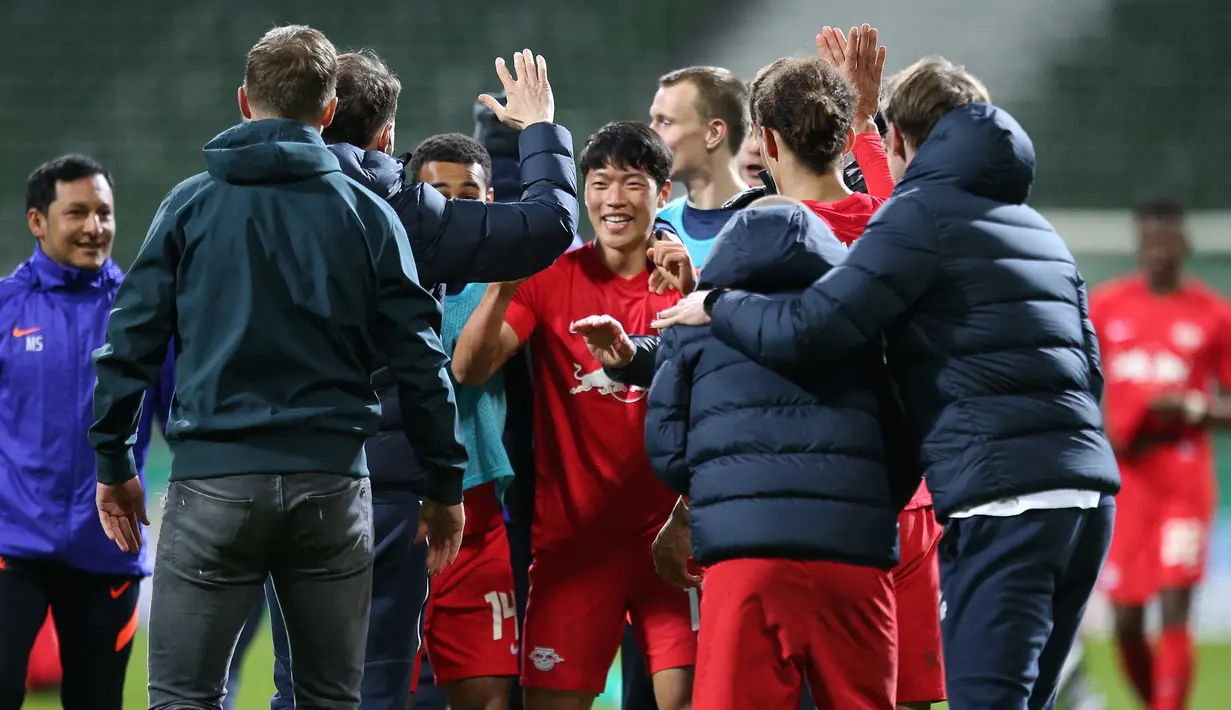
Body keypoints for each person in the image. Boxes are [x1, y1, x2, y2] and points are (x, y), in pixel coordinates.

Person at [652, 53, 1121, 710]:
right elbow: (1088, 375)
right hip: (1079, 495)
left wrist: (715, 307)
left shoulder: (903, 219)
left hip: (943, 500)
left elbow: (814, 328)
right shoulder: (1033, 228)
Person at [88, 25, 467, 709]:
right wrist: (443, 485)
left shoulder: (189, 205)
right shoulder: (368, 215)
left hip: (213, 486)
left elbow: (129, 344)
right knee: (328, 697)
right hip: (334, 487)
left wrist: (114, 463)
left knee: (183, 696)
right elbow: (422, 361)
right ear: (327, 114)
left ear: (242, 102)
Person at [262, 47, 578, 710]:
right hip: (387, 491)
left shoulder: (246, 206)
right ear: (388, 138)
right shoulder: (409, 216)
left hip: (279, 477)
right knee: (375, 684)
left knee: (298, 686)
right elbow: (550, 223)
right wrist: (540, 128)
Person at [450, 121, 698, 710]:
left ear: (663, 195)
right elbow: (469, 369)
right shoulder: (550, 278)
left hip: (675, 547)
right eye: (601, 182)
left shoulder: (685, 282)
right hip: (572, 550)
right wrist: (502, 286)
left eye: (634, 184)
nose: (615, 199)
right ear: (584, 192)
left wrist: (697, 289)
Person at [646, 196, 918, 710]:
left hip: (744, 559)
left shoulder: (691, 323)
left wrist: (725, 489)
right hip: (853, 557)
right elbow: (908, 439)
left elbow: (665, 447)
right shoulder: (865, 325)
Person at [0, 154, 172, 710]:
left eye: (104, 212)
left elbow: (181, 418)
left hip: (108, 548)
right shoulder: (5, 308)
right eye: (77, 212)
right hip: (11, 546)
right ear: (37, 222)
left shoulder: (143, 312)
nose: (94, 227)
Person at [1091, 197, 1231, 710]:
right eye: (1148, 240)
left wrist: (1193, 407)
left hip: (1182, 476)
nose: (1156, 251)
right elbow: (1080, 380)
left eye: (1165, 240)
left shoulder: (1214, 313)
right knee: (1125, 619)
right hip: (1126, 477)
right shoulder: (1107, 306)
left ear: (1185, 244)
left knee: (1175, 606)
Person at [404, 134, 521, 710]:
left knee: (488, 696)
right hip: (395, 515)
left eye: (467, 193)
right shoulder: (385, 278)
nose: (452, 207)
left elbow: (470, 369)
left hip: (477, 522)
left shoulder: (506, 285)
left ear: (491, 198)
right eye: (436, 193)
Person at [649, 66, 750, 265]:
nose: (651, 133)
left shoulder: (777, 224)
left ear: (713, 133)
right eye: (653, 120)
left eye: (665, 122)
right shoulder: (653, 229)